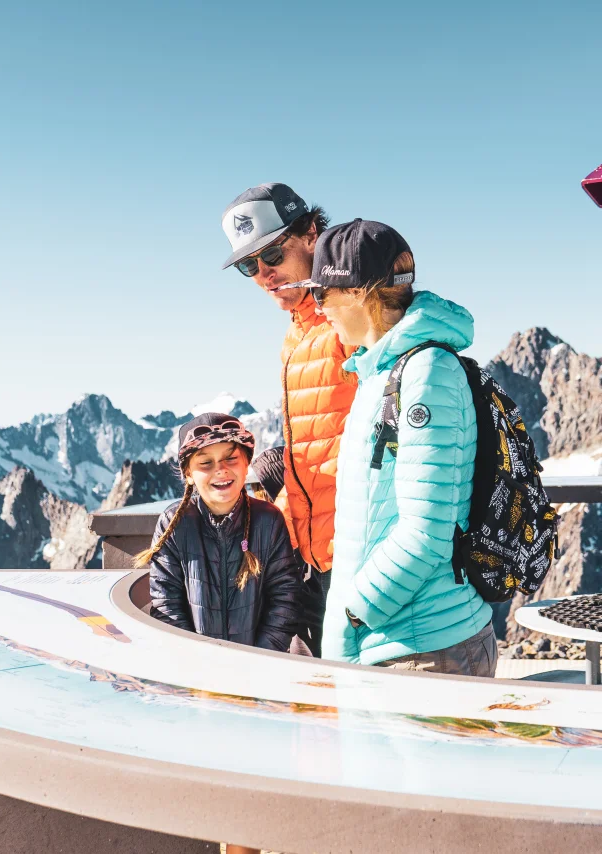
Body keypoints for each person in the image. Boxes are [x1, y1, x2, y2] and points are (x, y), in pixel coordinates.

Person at [288, 219, 497, 676]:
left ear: (360, 293)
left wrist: (352, 614)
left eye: (323, 294)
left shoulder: (425, 374)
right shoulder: (381, 370)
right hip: (397, 642)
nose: (318, 308)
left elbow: (426, 535)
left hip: (424, 649)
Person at [221, 183, 357, 656]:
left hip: (358, 557)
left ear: (311, 235)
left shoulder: (350, 315)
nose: (264, 274)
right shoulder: (298, 331)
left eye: (273, 254)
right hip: (315, 557)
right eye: (248, 265)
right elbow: (323, 442)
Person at [136, 413, 301, 653]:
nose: (221, 470)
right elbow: (166, 605)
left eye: (231, 458)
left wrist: (263, 658)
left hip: (262, 667)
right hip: (196, 672)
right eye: (205, 463)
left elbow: (285, 598)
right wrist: (197, 662)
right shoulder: (175, 524)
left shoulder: (269, 520)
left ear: (246, 465)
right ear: (189, 475)